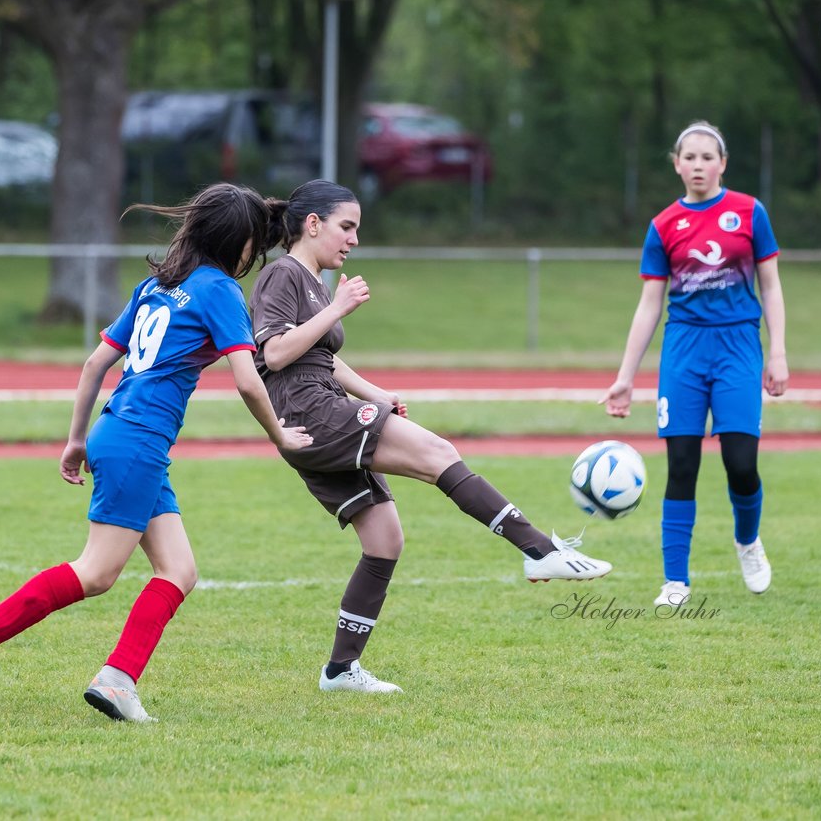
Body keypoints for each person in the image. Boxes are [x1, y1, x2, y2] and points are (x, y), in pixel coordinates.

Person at [0, 183, 312, 722]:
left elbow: (94, 366)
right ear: (242, 242)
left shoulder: (157, 285)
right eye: (256, 244)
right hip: (138, 440)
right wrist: (280, 435)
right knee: (96, 573)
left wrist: (75, 439)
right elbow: (250, 384)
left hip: (121, 433)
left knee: (178, 569)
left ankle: (117, 679)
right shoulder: (220, 291)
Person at [248, 179, 612, 694]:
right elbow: (277, 354)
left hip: (319, 409)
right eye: (346, 227)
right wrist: (338, 308)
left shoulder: (313, 281)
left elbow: (321, 357)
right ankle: (537, 549)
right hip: (311, 412)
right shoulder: (283, 275)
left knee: (385, 540)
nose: (353, 240)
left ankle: (340, 671)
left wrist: (376, 392)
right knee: (438, 453)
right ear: (313, 224)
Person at [601, 120, 788, 608]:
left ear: (722, 163)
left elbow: (770, 286)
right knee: (681, 465)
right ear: (677, 164)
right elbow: (649, 304)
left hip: (738, 348)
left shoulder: (749, 212)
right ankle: (675, 582)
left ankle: (747, 542)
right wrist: (625, 378)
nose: (699, 165)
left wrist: (779, 352)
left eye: (709, 157)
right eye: (690, 157)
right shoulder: (664, 225)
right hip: (684, 349)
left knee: (740, 464)